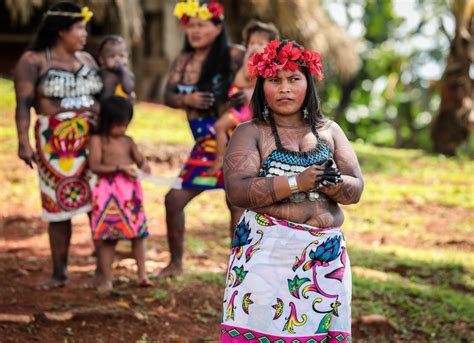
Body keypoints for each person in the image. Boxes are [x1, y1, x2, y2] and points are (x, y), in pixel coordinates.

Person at [220, 40, 363, 341]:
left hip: (326, 260)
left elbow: (356, 187)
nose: (284, 88)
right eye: (275, 80)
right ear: (262, 86)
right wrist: (299, 181)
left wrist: (333, 184)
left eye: (294, 79)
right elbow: (237, 191)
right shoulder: (250, 132)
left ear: (308, 84)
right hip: (268, 258)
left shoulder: (330, 131)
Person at [14, 2, 102, 290]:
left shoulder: (87, 60)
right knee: (58, 207)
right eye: (79, 28)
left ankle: (103, 270)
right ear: (61, 30)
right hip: (56, 145)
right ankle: (60, 272)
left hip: (94, 140)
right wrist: (24, 142)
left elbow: (105, 95)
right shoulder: (34, 60)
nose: (84, 34)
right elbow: (24, 105)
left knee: (98, 203)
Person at [160, 0, 246, 277]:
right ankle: (175, 264)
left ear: (218, 27)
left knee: (236, 203)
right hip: (203, 145)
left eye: (201, 25)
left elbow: (254, 80)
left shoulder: (234, 55)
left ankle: (237, 269)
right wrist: (188, 99)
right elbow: (167, 96)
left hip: (233, 140)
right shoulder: (183, 61)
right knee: (174, 200)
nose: (194, 31)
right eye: (191, 26)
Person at [88, 96, 152, 292]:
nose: (122, 130)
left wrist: (144, 164)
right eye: (118, 125)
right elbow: (95, 165)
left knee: (138, 235)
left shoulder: (128, 141)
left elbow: (140, 160)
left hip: (130, 195)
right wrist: (118, 168)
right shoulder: (98, 140)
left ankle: (142, 274)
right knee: (109, 238)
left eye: (125, 125)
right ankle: (106, 278)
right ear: (106, 122)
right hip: (108, 195)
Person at [209, 20, 279, 178]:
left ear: (271, 47)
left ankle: (223, 159)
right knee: (221, 128)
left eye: (260, 43)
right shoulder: (244, 60)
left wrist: (251, 56)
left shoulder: (264, 64)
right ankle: (221, 157)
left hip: (248, 110)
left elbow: (248, 76)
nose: (254, 46)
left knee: (223, 128)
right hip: (237, 106)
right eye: (252, 42)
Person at [97, 35, 136, 100]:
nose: (117, 60)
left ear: (128, 58)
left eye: (122, 56)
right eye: (112, 56)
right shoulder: (100, 74)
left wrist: (124, 72)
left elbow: (128, 89)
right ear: (101, 59)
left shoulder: (127, 75)